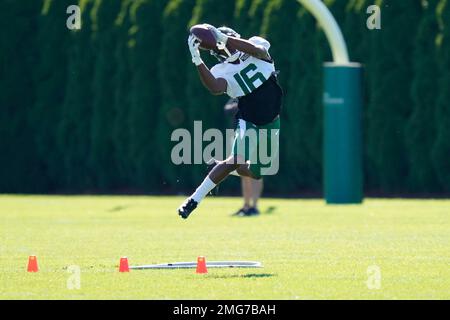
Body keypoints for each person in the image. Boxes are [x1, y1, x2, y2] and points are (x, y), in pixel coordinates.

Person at [178, 24, 283, 219]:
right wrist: (197, 60)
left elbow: (258, 51)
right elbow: (216, 87)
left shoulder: (255, 44)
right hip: (248, 119)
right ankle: (194, 200)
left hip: (271, 121)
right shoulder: (221, 69)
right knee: (235, 160)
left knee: (257, 172)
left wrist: (222, 38)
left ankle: (221, 166)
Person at [224, 98, 263, 217]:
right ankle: (246, 206)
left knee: (256, 172)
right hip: (239, 136)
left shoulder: (259, 93)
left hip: (255, 135)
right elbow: (227, 110)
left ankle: (254, 207)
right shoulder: (237, 94)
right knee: (243, 172)